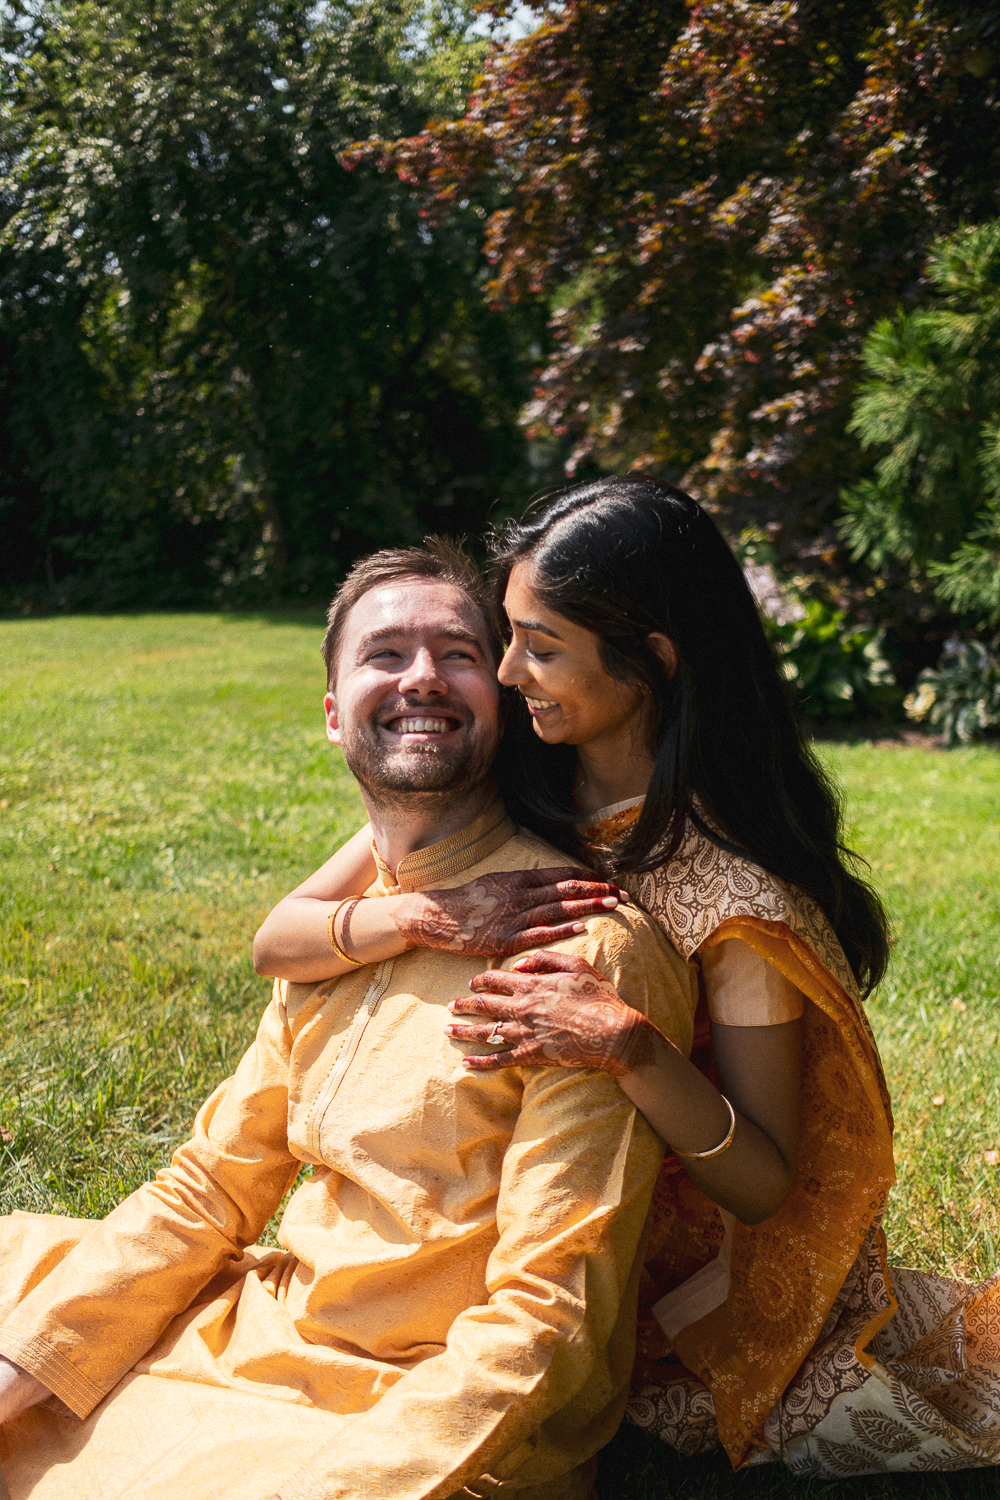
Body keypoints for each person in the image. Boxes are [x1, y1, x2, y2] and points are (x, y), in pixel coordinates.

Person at [257, 480, 1000, 1479]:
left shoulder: (732, 900)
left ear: (653, 660)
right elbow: (280, 938)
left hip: (649, 1290)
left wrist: (630, 1046)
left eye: (542, 646)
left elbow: (765, 1184)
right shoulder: (515, 772)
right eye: (510, 637)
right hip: (490, 1218)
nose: (508, 669)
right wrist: (427, 914)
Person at [0, 539, 698, 1500]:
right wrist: (22, 1378)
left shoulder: (579, 954)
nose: (421, 678)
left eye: (457, 653)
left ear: (508, 701)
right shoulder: (348, 927)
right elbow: (209, 1189)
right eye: (384, 654)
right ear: (334, 716)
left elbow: (553, 1316)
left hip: (418, 1422)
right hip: (266, 1335)